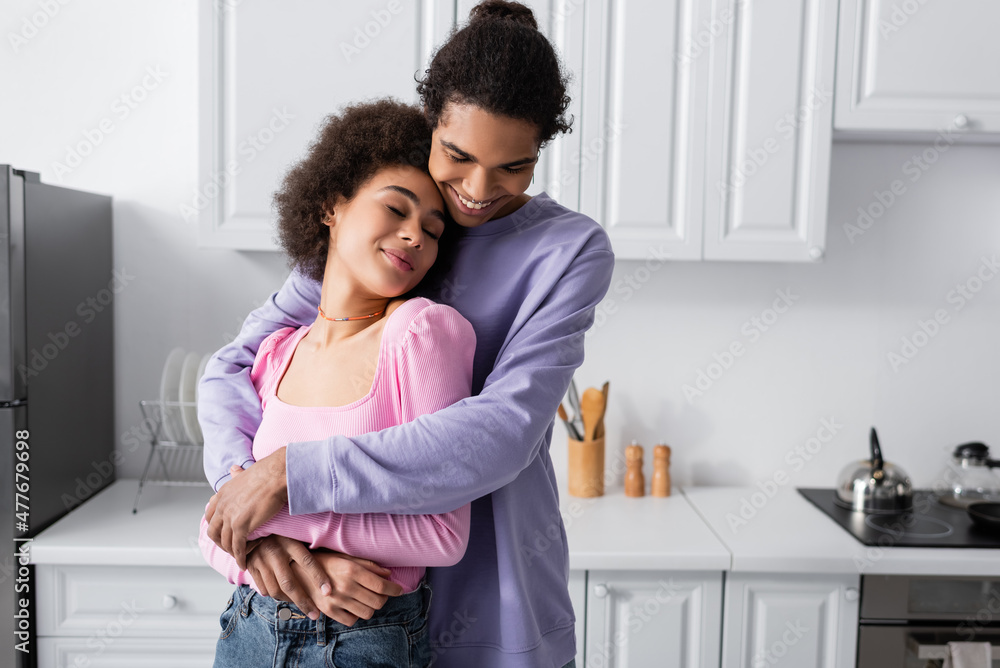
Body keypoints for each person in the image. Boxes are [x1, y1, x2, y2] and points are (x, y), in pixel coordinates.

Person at [200, 2, 615, 666]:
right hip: (349, 591)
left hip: (492, 590)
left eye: (515, 167)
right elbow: (236, 364)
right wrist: (248, 505)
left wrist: (290, 479)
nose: (478, 191)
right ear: (432, 124)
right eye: (457, 154)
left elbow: (505, 429)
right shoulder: (395, 228)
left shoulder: (568, 250)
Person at [198, 98, 476, 667]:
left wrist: (271, 508)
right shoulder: (278, 351)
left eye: (431, 228)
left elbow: (443, 533)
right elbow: (216, 525)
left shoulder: (420, 334)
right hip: (247, 627)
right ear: (331, 205)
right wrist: (278, 555)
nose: (414, 236)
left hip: (359, 640)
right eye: (395, 209)